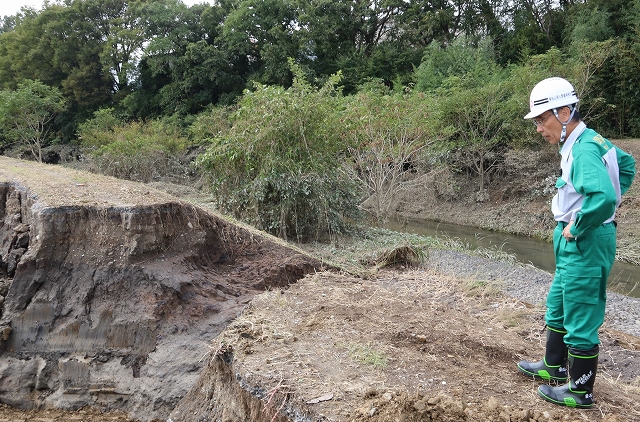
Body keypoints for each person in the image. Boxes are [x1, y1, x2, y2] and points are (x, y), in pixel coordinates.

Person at [516, 77, 636, 408]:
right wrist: (607, 202)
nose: (539, 128)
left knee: (581, 312)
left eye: (542, 119)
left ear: (565, 111)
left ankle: (580, 390)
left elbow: (603, 195)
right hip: (575, 240)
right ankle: (553, 367)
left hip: (584, 239)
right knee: (559, 303)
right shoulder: (586, 140)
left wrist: (583, 221)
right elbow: (626, 165)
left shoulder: (582, 149)